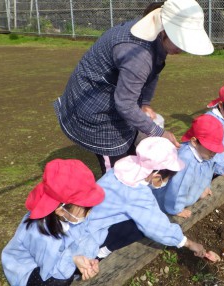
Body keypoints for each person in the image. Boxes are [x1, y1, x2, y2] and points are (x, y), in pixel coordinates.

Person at [53, 0, 214, 174]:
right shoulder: (139, 53)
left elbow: (154, 71)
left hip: (113, 95)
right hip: (93, 105)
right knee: (117, 171)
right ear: (165, 30)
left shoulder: (154, 37)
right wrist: (159, 132)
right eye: (179, 40)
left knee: (129, 151)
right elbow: (125, 104)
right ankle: (113, 195)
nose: (182, 48)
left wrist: (145, 102)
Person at [71, 137, 212, 262]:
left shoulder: (125, 167)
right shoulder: (137, 194)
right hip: (86, 239)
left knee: (139, 221)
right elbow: (158, 226)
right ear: (157, 176)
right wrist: (188, 243)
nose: (166, 182)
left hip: (82, 221)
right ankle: (99, 252)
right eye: (167, 178)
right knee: (141, 226)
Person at [2, 159, 106, 285]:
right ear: (61, 210)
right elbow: (51, 268)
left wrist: (86, 259)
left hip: (51, 258)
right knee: (59, 279)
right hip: (27, 270)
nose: (89, 212)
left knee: (68, 269)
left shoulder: (68, 214)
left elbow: (82, 237)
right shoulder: (41, 234)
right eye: (86, 207)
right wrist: (73, 260)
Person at [153, 115, 224, 218]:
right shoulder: (185, 161)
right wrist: (176, 209)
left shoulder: (206, 154)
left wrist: (205, 187)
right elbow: (177, 188)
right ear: (194, 142)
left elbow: (208, 172)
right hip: (167, 202)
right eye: (210, 148)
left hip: (189, 195)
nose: (214, 152)